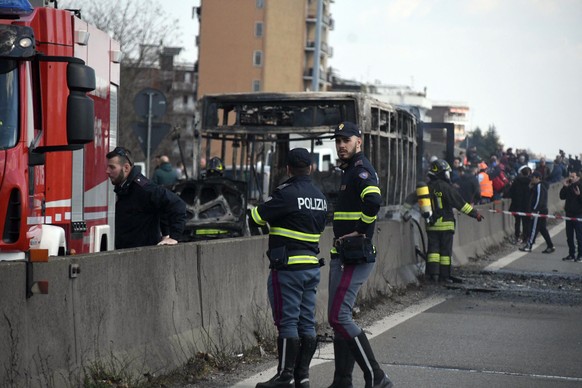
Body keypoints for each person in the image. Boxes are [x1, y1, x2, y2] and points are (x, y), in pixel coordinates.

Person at [249, 148, 328, 388]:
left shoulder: (285, 194)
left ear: (288, 169)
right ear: (311, 168)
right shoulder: (320, 196)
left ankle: (284, 377)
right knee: (306, 322)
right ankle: (302, 377)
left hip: (287, 269)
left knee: (288, 323)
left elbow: (255, 217)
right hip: (312, 268)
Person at [327, 121, 393, 388]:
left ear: (359, 141)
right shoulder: (349, 170)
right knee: (338, 318)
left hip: (354, 256)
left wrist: (361, 230)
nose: (341, 145)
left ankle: (376, 376)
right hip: (343, 255)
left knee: (339, 317)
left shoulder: (360, 169)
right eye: (338, 140)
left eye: (347, 140)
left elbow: (374, 200)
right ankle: (342, 380)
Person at [106, 146, 187, 249]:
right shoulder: (124, 188)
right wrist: (165, 233)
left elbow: (177, 204)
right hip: (127, 253)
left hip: (141, 257)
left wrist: (174, 237)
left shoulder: (143, 188)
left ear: (126, 168)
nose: (107, 171)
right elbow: (160, 209)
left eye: (112, 167)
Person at [424, 159, 483, 282]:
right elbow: (460, 204)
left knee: (433, 252)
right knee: (445, 253)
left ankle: (432, 275)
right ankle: (444, 276)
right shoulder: (446, 187)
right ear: (442, 173)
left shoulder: (427, 187)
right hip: (445, 225)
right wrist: (475, 214)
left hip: (431, 225)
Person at [519, 172, 555, 253]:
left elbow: (539, 199)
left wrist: (534, 210)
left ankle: (529, 245)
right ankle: (550, 245)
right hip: (542, 210)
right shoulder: (539, 186)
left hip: (539, 210)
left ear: (537, 178)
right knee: (542, 229)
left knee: (533, 229)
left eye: (533, 177)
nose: (531, 179)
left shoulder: (539, 186)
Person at [559, 171, 582, 262]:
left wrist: (579, 195)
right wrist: (564, 186)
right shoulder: (569, 185)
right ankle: (571, 254)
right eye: (570, 176)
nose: (571, 178)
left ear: (578, 177)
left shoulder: (580, 186)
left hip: (578, 214)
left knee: (579, 236)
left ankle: (580, 255)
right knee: (569, 236)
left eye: (573, 176)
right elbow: (562, 197)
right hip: (569, 214)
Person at [509, 166, 532, 244]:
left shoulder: (516, 181)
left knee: (517, 222)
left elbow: (511, 192)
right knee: (526, 222)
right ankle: (526, 238)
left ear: (521, 173)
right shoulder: (531, 182)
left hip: (517, 205)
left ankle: (517, 237)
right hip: (527, 205)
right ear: (528, 173)